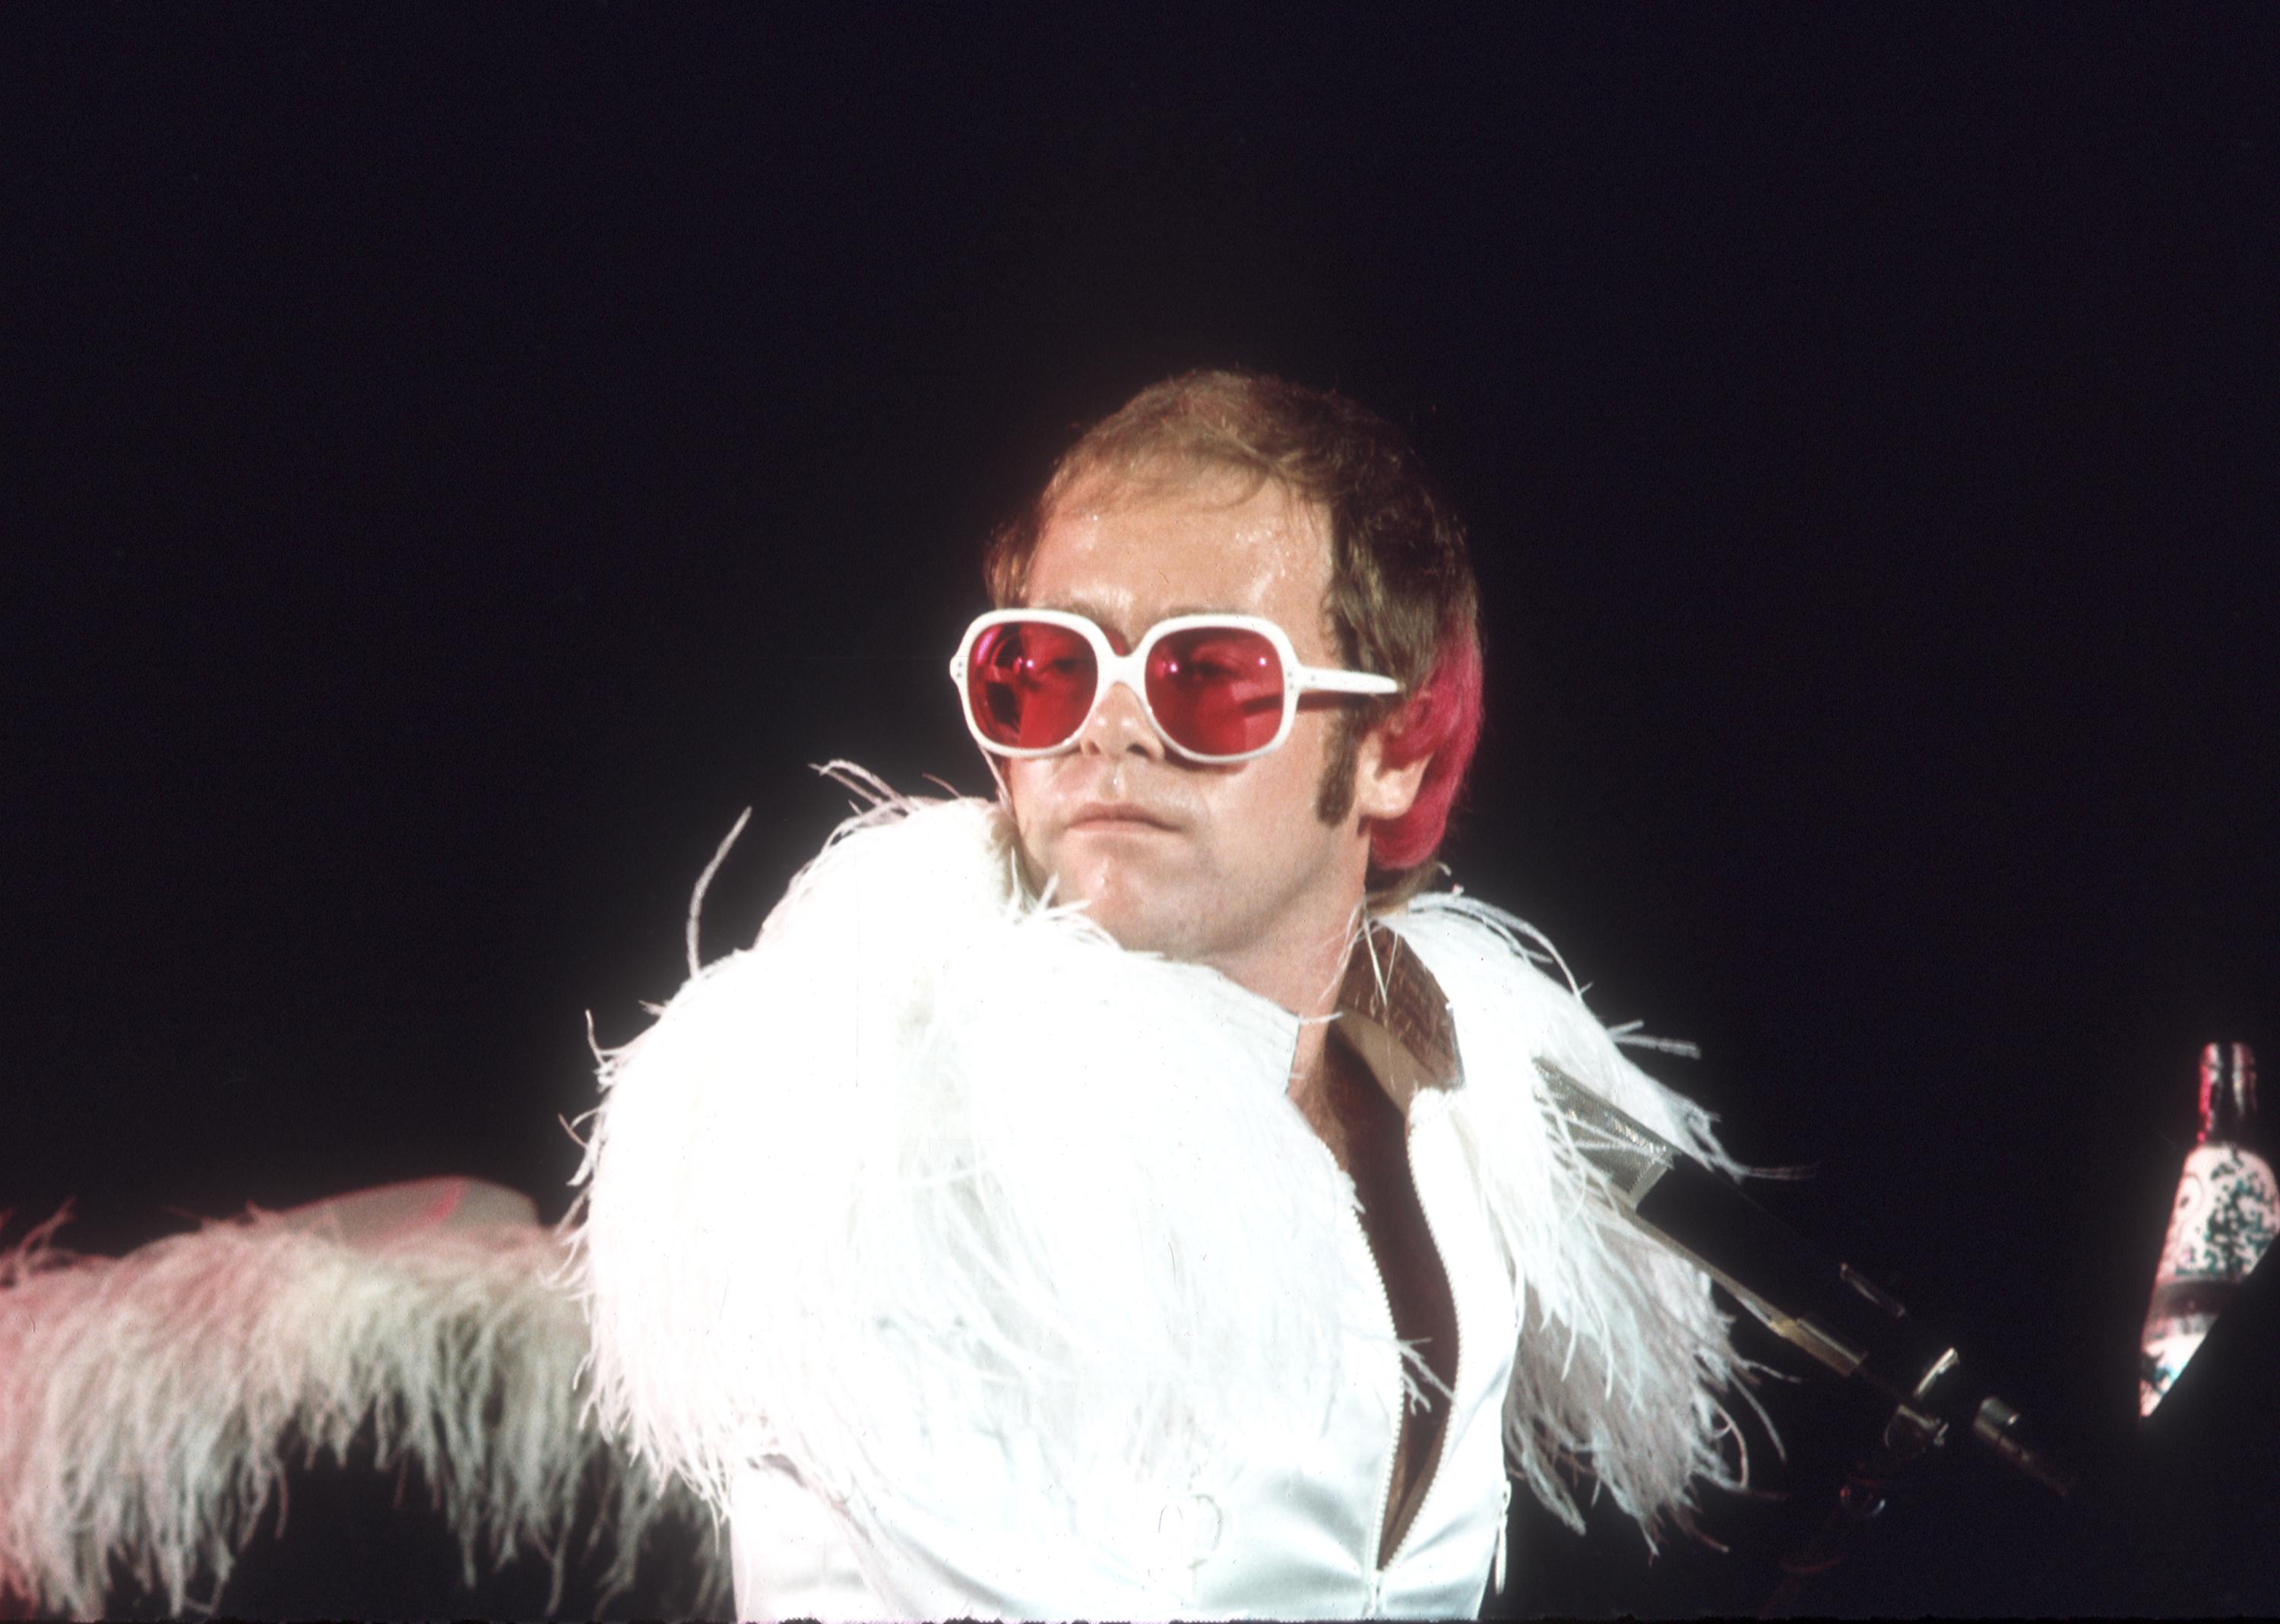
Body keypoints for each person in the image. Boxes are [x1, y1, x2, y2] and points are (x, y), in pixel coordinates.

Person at [576, 369, 1761, 1618]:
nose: (1108, 730)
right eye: (1048, 666)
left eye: (1208, 674)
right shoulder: (871, 1106)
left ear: (1397, 753)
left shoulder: (1477, 1106)